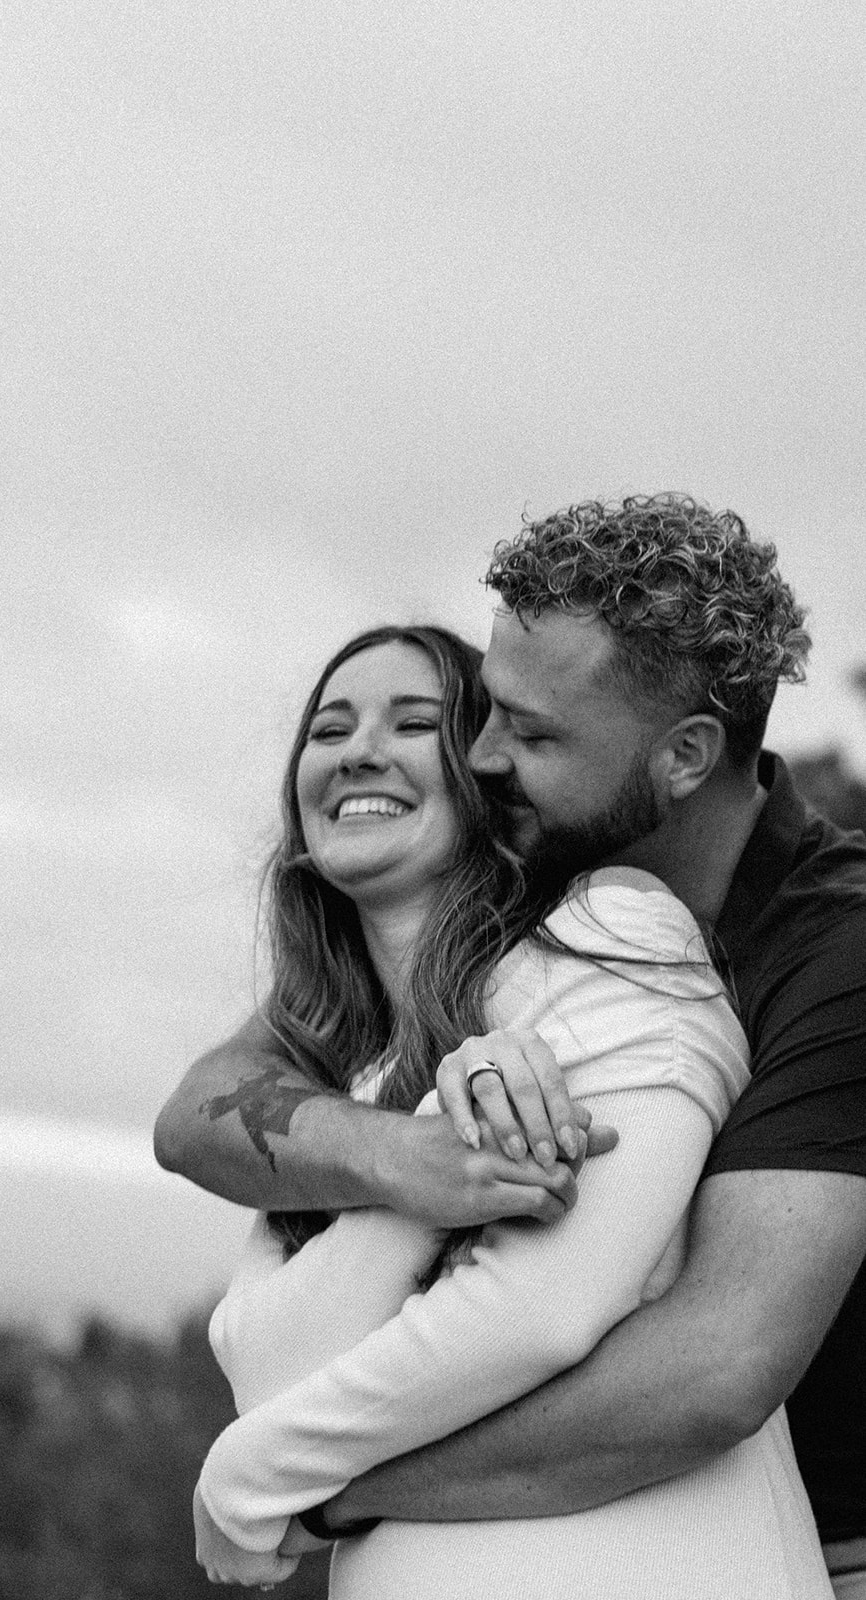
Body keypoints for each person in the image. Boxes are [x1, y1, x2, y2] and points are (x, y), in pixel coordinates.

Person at [156, 496, 866, 1594]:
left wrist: (321, 1483)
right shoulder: (507, 906)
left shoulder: (830, 949)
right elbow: (204, 1105)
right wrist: (409, 1151)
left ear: (682, 756)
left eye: (529, 734)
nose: (481, 756)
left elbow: (716, 1367)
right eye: (487, 713)